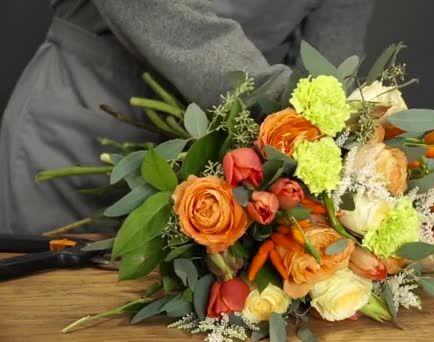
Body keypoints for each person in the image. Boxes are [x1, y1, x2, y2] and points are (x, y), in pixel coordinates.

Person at [0, 0, 374, 234]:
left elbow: (331, 64)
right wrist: (282, 107)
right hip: (81, 133)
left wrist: (330, 141)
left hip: (232, 173)